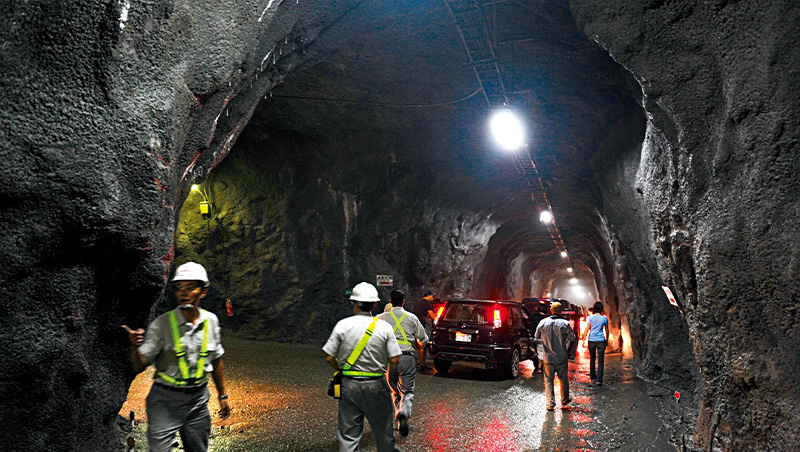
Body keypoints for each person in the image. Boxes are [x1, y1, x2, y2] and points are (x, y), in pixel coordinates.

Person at [122, 262, 230, 452]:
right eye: (179, 288)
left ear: (202, 292)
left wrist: (223, 396)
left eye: (190, 288)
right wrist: (134, 346)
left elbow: (216, 359)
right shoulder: (162, 325)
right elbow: (140, 365)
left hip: (197, 401)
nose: (183, 293)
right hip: (165, 401)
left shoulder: (211, 321)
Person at [323, 282, 402, 452]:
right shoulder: (384, 327)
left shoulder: (342, 325)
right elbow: (395, 359)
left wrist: (342, 369)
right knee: (383, 433)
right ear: (374, 304)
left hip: (349, 385)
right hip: (376, 385)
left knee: (348, 436)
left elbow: (329, 357)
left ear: (354, 304)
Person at [377, 289, 428, 437]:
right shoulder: (411, 318)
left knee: (394, 391)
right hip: (406, 358)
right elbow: (423, 338)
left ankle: (399, 417)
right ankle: (403, 413)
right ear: (404, 301)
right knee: (407, 391)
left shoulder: (381, 318)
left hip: (389, 359)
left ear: (390, 301)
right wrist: (419, 343)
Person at [534, 302, 577, 411]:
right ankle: (564, 399)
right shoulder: (564, 323)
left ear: (551, 310)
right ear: (561, 311)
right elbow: (572, 338)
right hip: (561, 356)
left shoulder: (543, 322)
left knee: (548, 380)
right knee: (563, 378)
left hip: (548, 357)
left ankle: (550, 403)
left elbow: (536, 336)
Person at [581, 301, 610, 386]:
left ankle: (593, 377)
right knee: (601, 360)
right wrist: (607, 340)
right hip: (601, 340)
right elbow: (607, 331)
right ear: (601, 309)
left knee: (592, 359)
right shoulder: (604, 318)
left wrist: (584, 340)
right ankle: (599, 379)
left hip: (592, 340)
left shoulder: (590, 317)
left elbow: (587, 329)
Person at [414, 290, 436, 371]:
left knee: (419, 344)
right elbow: (432, 316)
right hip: (422, 325)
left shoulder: (418, 302)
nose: (432, 298)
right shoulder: (427, 303)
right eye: (432, 296)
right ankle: (423, 365)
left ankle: (420, 363)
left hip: (416, 325)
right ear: (428, 296)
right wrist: (436, 319)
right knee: (424, 344)